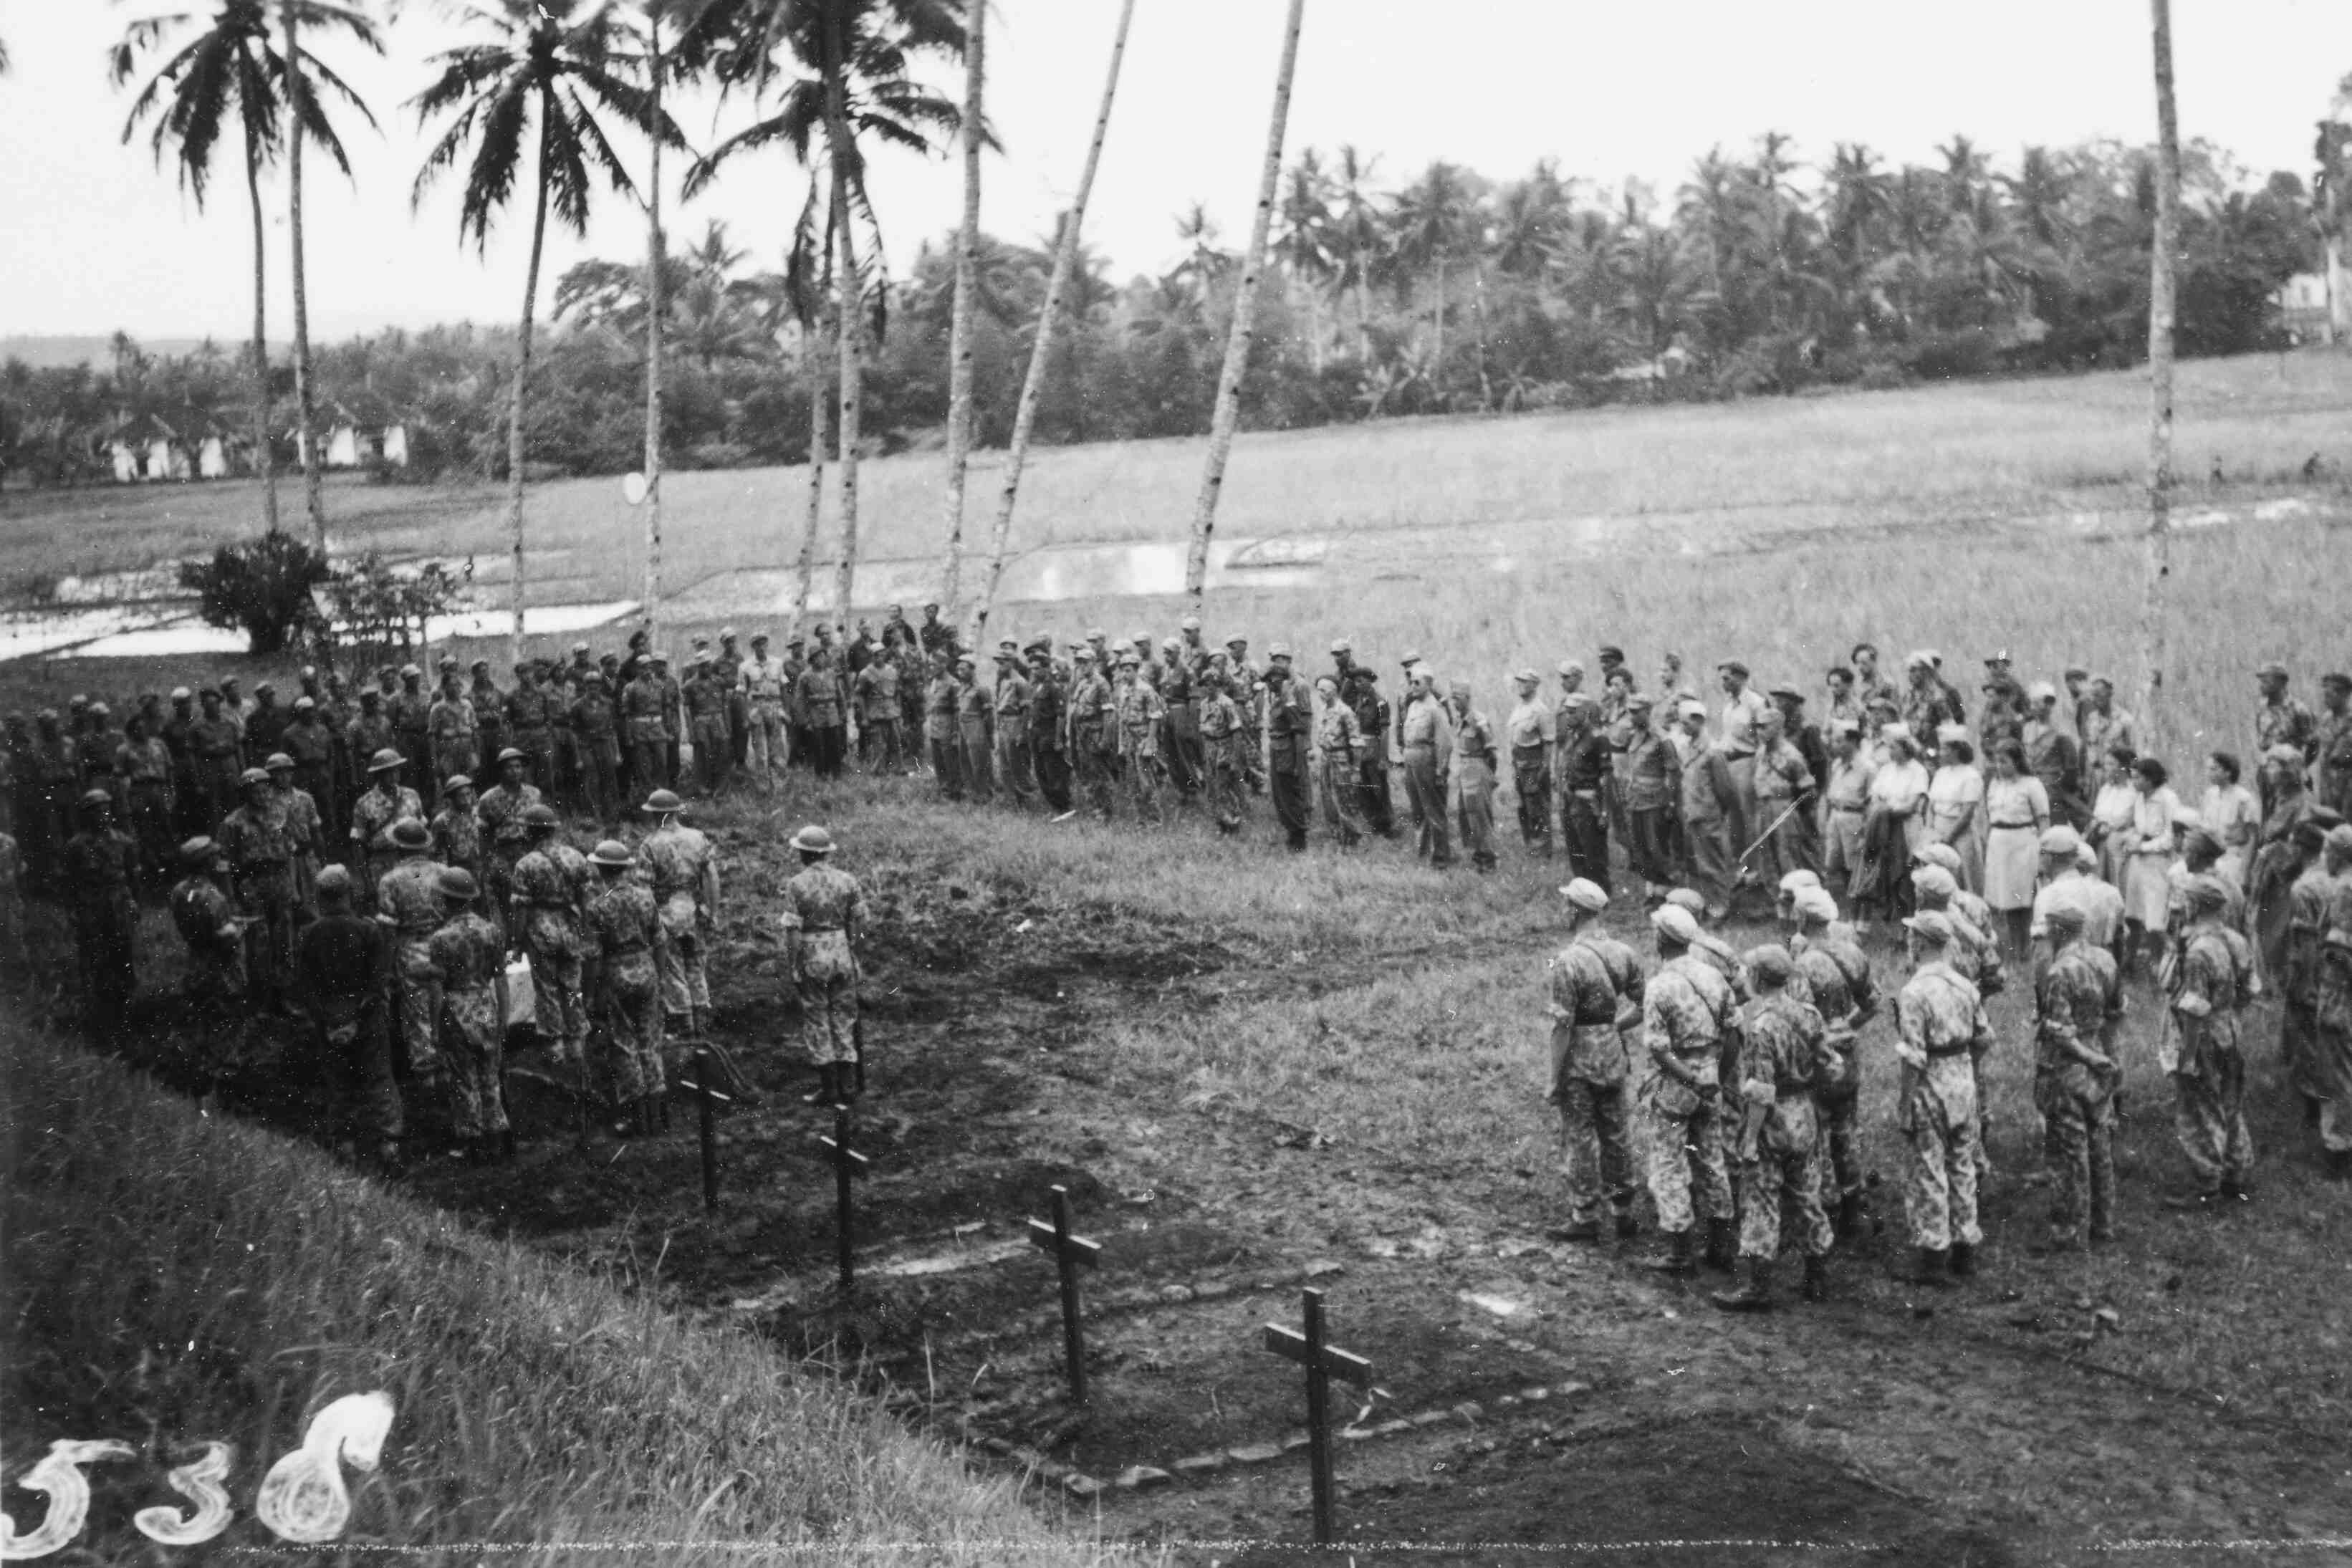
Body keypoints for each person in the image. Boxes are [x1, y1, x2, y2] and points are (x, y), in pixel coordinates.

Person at [1713, 943, 1834, 1312]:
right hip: (1805, 1114)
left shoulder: (1761, 1026)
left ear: (1757, 978)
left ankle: (1757, 1285)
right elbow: (1830, 1062)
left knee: (1761, 1197)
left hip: (1774, 1120)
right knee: (1806, 1193)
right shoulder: (1808, 1015)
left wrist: (1749, 1138)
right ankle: (1817, 1276)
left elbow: (1761, 1092)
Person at [1892, 909, 1994, 1285]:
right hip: (1962, 1077)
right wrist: (1966, 1064)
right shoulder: (1965, 985)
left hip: (1931, 1081)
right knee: (1962, 1163)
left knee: (1930, 1167)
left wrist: (1906, 1103)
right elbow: (1985, 1036)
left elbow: (1912, 1055)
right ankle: (1966, 1247)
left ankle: (1934, 1253)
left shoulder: (1914, 992)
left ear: (1919, 943)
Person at [1639, 903, 1739, 1276]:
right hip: (1711, 1075)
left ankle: (1680, 1252)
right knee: (1713, 1161)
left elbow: (1659, 1049)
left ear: (1661, 939)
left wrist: (1689, 1078)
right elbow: (1732, 1034)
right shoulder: (1714, 978)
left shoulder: (1660, 985)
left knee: (1668, 1161)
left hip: (1677, 1081)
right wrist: (1715, 1079)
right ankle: (1721, 1247)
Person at [1543, 880, 1643, 1244]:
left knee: (1581, 1135)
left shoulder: (1567, 961)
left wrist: (1554, 1078)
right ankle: (1623, 1211)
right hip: (1613, 1052)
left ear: (1574, 911)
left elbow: (1562, 1026)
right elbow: (1644, 1003)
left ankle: (1585, 1213)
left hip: (1580, 1058)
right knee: (1616, 1132)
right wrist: (1615, 1026)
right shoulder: (1623, 952)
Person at [296, 864, 403, 1173]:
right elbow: (377, 981)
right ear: (348, 893)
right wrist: (358, 1018)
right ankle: (389, 1145)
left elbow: (305, 986)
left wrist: (329, 1022)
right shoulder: (368, 930)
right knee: (380, 1077)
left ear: (319, 897)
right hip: (366, 1018)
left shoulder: (307, 935)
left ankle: (345, 1148)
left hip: (328, 1018)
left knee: (338, 1083)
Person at [2030, 902, 2123, 1253]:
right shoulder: (2106, 960)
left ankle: (2070, 1230)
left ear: (2057, 931)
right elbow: (2116, 1012)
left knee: (2068, 1150)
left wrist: (2088, 1057)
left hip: (2067, 1067)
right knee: (2100, 1143)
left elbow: (2059, 1030)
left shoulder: (2059, 972)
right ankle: (2104, 1223)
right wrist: (2108, 1057)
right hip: (2098, 1056)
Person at [1787, 883, 1876, 1239]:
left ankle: (1825, 1204)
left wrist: (1823, 1035)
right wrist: (1844, 1026)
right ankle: (1853, 1203)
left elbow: (1799, 1019)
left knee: (1816, 1133)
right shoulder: (1852, 953)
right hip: (1848, 1051)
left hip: (1816, 1055)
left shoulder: (1804, 964)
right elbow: (1873, 1001)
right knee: (1846, 1128)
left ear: (1802, 918)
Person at [2163, 873, 2257, 1208]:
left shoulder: (2198, 952)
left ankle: (2207, 1185)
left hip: (2204, 1037)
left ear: (2194, 905)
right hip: (2230, 1028)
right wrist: (2229, 1012)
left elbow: (2193, 1010)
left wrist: (2186, 1057)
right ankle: (2237, 1172)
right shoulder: (2236, 940)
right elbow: (2251, 988)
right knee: (2231, 1103)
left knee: (2200, 1109)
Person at [777, 824, 868, 1106]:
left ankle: (829, 1089)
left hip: (812, 955)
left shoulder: (796, 884)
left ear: (804, 854)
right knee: (844, 1016)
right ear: (826, 853)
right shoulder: (847, 880)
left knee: (817, 1019)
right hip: (842, 952)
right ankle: (849, 1087)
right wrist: (855, 953)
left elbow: (792, 930)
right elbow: (860, 920)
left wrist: (793, 964)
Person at [426, 865, 512, 1163]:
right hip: (486, 1004)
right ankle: (497, 1140)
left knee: (464, 1080)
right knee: (490, 1076)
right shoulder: (491, 931)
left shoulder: (440, 939)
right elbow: (501, 978)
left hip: (456, 1007)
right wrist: (504, 1016)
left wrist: (435, 1029)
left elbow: (437, 989)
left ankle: (471, 1142)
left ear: (446, 899)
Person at [584, 839, 668, 1136]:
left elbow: (593, 956)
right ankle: (658, 1114)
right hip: (646, 969)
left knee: (624, 1045)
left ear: (601, 869)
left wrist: (591, 994)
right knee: (650, 1042)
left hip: (616, 973)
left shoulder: (597, 906)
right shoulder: (646, 898)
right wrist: (658, 975)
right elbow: (660, 941)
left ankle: (636, 1117)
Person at [510, 804, 590, 1077]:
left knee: (547, 989)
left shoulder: (526, 864)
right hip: (569, 927)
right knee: (572, 987)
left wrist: (517, 942)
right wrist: (585, 930)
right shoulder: (575, 857)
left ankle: (555, 1048)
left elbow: (521, 908)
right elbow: (585, 899)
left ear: (530, 832)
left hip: (540, 929)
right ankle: (577, 1045)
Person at [638, 788, 718, 1042]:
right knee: (696, 965)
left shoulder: (650, 845)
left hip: (665, 912)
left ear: (655, 815)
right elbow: (711, 877)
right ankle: (702, 1019)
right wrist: (711, 910)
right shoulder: (698, 838)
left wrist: (648, 924)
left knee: (673, 969)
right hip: (693, 908)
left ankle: (684, 1024)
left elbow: (644, 890)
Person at [168, 837, 248, 1087]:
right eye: (214, 857)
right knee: (226, 1018)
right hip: (220, 969)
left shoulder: (179, 892)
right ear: (206, 863)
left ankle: (202, 1066)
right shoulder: (215, 897)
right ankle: (224, 1074)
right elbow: (225, 939)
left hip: (195, 963)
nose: (218, 860)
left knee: (203, 1017)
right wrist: (240, 930)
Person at [2282, 819, 2343, 1138]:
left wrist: (2303, 983)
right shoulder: (2336, 880)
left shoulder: (2304, 887)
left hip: (2314, 968)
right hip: (2337, 971)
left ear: (2299, 848)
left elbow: (2305, 942)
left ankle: (2314, 1108)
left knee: (2307, 1038)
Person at [62, 789, 138, 1042]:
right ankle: (99, 1014)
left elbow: (133, 876)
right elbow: (69, 882)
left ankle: (126, 1009)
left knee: (123, 954)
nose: (103, 815)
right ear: (87, 815)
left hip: (118, 903)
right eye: (96, 811)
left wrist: (134, 902)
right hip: (91, 906)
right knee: (95, 958)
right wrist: (72, 911)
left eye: (106, 809)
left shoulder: (124, 841)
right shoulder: (76, 846)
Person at [217, 768, 294, 1012]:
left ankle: (283, 996)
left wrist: (292, 885)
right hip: (252, 885)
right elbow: (223, 864)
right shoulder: (233, 823)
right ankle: (261, 1001)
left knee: (283, 940)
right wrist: (231, 897)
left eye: (265, 789)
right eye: (255, 791)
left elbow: (290, 850)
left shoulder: (281, 813)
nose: (262, 795)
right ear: (246, 794)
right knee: (258, 943)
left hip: (280, 881)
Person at [377, 818, 446, 1089]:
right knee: (445, 1005)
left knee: (417, 1012)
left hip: (411, 948)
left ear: (398, 847)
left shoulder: (390, 880)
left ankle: (427, 1074)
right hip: (444, 945)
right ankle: (449, 1067)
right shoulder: (443, 872)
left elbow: (388, 930)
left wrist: (388, 965)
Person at [1982, 740, 2050, 955]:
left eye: (2005, 762)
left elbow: (2043, 820)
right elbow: (1989, 815)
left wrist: (2043, 851)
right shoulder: (1995, 784)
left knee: (2023, 896)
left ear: (2017, 762)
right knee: (2005, 898)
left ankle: (2026, 946)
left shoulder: (2031, 785)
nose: (2000, 767)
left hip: (2023, 842)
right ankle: (2013, 944)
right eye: (1997, 762)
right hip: (1999, 843)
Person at [1675, 698, 1742, 919]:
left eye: (1685, 723)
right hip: (1692, 814)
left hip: (1707, 816)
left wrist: (1714, 813)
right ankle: (1703, 904)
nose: (1683, 728)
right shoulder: (1688, 747)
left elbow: (1726, 791)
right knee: (1696, 865)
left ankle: (1719, 907)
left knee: (1712, 864)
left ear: (1699, 721)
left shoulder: (1713, 752)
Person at [1856, 729, 1929, 925]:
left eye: (1893, 747)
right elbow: (1875, 796)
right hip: (1885, 829)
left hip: (1905, 828)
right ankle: (1894, 924)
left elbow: (1911, 805)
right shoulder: (1887, 770)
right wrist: (1882, 808)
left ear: (1906, 748)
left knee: (1906, 874)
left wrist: (1885, 809)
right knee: (1887, 872)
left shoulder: (1918, 771)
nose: (1890, 751)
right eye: (1888, 747)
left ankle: (1910, 921)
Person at [2118, 756, 2183, 972]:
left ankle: (2160, 965)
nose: (2133, 782)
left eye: (2137, 778)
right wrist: (2131, 839)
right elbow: (2136, 827)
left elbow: (2171, 837)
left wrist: (2144, 847)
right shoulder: (2138, 799)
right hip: (2139, 861)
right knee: (2133, 914)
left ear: (2150, 779)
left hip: (2158, 863)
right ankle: (2130, 960)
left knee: (2155, 919)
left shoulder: (2167, 799)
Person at [349, 749, 423, 908]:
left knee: (415, 905)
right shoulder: (365, 803)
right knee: (387, 908)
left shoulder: (412, 796)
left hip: (411, 860)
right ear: (378, 774)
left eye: (396, 770)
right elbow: (358, 844)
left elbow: (423, 832)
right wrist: (366, 882)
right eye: (387, 772)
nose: (393, 775)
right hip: (381, 863)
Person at [1623, 695, 1680, 897]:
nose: (1631, 715)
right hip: (1636, 800)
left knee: (1657, 848)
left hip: (1655, 801)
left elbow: (1673, 772)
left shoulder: (1661, 738)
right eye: (1629, 711)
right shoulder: (1634, 735)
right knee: (1640, 849)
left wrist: (1671, 803)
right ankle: (1652, 890)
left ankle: (1666, 892)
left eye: (1636, 712)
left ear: (1648, 712)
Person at [1398, 667, 1454, 867]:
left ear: (1429, 685)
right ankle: (1423, 852)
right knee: (1417, 808)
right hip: (1411, 757)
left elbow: (1445, 742)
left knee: (1433, 809)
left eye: (1417, 683)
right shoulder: (1413, 706)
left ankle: (1440, 857)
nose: (1412, 686)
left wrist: (1441, 770)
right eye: (1411, 682)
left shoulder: (1435, 708)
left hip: (1426, 759)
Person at [1560, 693, 1613, 892]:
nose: (1568, 716)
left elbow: (1606, 777)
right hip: (1571, 800)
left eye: (1573, 712)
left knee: (1594, 855)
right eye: (1567, 711)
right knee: (1576, 851)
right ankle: (1582, 896)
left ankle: (1601, 896)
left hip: (1590, 803)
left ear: (1585, 712)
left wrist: (1605, 811)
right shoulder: (1572, 736)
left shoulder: (1598, 738)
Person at [263, 751, 324, 921]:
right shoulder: (266, 801)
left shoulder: (305, 798)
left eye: (287, 772)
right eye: (278, 773)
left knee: (312, 900)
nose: (283, 777)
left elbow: (315, 829)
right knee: (287, 904)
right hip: (281, 858)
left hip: (305, 854)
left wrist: (321, 856)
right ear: (271, 776)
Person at [1448, 679, 1500, 873]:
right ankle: (1478, 855)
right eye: (1453, 699)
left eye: (1459, 699)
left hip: (1478, 768)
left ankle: (1488, 860)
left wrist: (1488, 775)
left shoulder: (1478, 720)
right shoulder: (1459, 720)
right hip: (1464, 769)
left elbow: (1492, 752)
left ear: (1468, 699)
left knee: (1481, 816)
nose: (1455, 703)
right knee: (1467, 814)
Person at [1924, 731, 1987, 895]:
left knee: (1963, 877)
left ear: (1956, 751)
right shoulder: (1940, 773)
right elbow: (1931, 806)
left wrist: (1948, 838)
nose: (1941, 753)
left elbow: (1967, 813)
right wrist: (1931, 831)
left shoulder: (1971, 776)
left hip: (1960, 833)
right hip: (1937, 830)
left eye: (1945, 749)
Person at [2253, 661, 2317, 818]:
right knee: (2267, 813)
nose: (2261, 685)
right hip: (2267, 769)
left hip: (2290, 772)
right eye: (2261, 681)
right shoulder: (2262, 708)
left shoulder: (2298, 709)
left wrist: (2304, 767)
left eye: (2266, 681)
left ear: (2281, 683)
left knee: (2290, 814)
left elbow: (2313, 742)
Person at [1312, 675, 1368, 850]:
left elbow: (1357, 742)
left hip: (1341, 759)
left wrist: (1356, 769)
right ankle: (1337, 835)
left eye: (1324, 690)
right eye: (1319, 690)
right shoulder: (1323, 710)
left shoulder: (1345, 712)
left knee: (1345, 798)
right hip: (1326, 757)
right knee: (1327, 797)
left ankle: (1352, 839)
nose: (1320, 694)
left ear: (1334, 691)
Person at [2022, 683, 2087, 831]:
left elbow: (2071, 767)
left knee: (2054, 828)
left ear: (2049, 705)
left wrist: (2059, 789)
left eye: (2037, 703)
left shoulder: (2060, 732)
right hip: (2030, 785)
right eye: (2032, 703)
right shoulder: (2027, 728)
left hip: (2051, 789)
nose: (2033, 708)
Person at [1114, 652, 1168, 826]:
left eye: (1129, 670)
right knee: (1133, 783)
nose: (1125, 674)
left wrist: (1150, 744)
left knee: (1146, 783)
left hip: (1143, 739)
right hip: (1129, 740)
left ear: (1137, 671)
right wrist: (1122, 744)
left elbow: (1155, 717)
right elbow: (1122, 718)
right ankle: (1141, 818)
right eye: (1122, 671)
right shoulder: (1123, 691)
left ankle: (1154, 820)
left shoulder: (1146, 690)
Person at [1507, 669, 1554, 858]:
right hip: (1519, 762)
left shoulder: (1540, 710)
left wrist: (1544, 768)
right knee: (1523, 807)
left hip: (1534, 765)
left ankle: (1542, 848)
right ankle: (1531, 844)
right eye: (1519, 681)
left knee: (1537, 807)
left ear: (1535, 685)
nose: (1520, 685)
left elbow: (1548, 741)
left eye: (1525, 682)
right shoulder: (1520, 707)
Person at [1346, 667, 1396, 838]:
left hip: (1374, 748)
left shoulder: (1380, 702)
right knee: (1362, 787)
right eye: (1355, 681)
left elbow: (1384, 731)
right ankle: (1374, 823)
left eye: (1360, 681)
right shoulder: (1361, 699)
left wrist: (1383, 758)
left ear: (1370, 681)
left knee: (1379, 787)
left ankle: (1387, 825)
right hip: (1360, 749)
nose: (1357, 684)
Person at [2198, 751, 2260, 890]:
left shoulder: (2243, 799)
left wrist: (2246, 871)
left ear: (2228, 772)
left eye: (2214, 769)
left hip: (2234, 859)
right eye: (2208, 769)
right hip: (2211, 858)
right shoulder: (2210, 795)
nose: (2209, 773)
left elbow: (2253, 837)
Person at [1067, 648, 1115, 822]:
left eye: (1085, 662)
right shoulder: (1082, 683)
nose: (1082, 666)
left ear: (1094, 663)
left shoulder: (1101, 684)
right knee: (1086, 773)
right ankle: (1094, 809)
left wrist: (1105, 740)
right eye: (1079, 663)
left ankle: (1105, 812)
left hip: (1095, 734)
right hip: (1082, 734)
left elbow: (1109, 714)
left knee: (1100, 775)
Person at [1027, 640, 1073, 817]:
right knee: (1041, 774)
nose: (1034, 672)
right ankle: (1054, 807)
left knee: (1054, 773)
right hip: (1037, 737)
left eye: (1037, 668)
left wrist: (1058, 740)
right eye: (1032, 669)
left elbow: (1061, 715)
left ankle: (1064, 808)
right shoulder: (1035, 688)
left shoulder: (1054, 688)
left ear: (1046, 669)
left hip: (1049, 736)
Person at [570, 672, 622, 827]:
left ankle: (612, 815)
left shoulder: (608, 703)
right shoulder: (578, 706)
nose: (594, 690)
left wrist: (617, 752)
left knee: (610, 778)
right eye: (590, 687)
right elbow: (574, 732)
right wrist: (578, 757)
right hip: (587, 746)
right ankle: (594, 815)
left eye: (597, 686)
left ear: (600, 687)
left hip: (605, 744)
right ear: (586, 687)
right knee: (592, 780)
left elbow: (612, 729)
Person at [682, 652, 734, 797]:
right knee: (702, 755)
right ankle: (703, 789)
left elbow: (725, 705)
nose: (706, 668)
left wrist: (728, 725)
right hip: (701, 721)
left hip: (718, 720)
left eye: (708, 665)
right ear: (697, 667)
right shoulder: (690, 685)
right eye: (702, 666)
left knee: (722, 754)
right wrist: (691, 731)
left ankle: (720, 789)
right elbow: (687, 709)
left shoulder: (719, 682)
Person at [993, 643, 1037, 808]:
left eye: (1003, 662)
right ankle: (1011, 799)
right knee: (1005, 765)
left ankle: (1025, 800)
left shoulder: (1020, 682)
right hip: (1004, 723)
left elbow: (1026, 710)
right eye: (999, 662)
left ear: (1012, 662)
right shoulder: (1004, 681)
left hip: (1015, 722)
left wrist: (1022, 732)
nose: (1000, 665)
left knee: (1017, 763)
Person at [744, 633, 792, 784]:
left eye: (764, 644)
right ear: (753, 647)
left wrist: (786, 711)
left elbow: (784, 688)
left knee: (778, 748)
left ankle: (780, 784)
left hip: (775, 706)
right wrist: (747, 715)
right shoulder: (746, 667)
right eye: (757, 644)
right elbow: (742, 693)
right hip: (757, 708)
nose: (761, 647)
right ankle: (763, 787)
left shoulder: (777, 663)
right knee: (761, 752)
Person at [955, 655, 995, 803]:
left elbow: (989, 715)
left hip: (976, 727)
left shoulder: (982, 689)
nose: (960, 672)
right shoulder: (962, 688)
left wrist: (989, 735)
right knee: (965, 761)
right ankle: (972, 793)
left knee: (979, 762)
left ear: (972, 670)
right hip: (963, 727)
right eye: (958, 669)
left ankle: (984, 794)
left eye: (963, 669)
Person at [2317, 672, 2352, 820]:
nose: (2325, 700)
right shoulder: (2326, 720)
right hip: (2328, 785)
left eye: (2329, 695)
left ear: (2343, 694)